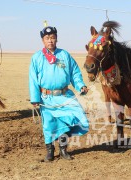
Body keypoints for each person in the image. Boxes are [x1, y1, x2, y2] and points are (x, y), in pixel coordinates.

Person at [29, 25, 89, 162]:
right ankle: (50, 151)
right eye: (47, 38)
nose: (50, 40)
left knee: (69, 120)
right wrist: (34, 98)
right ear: (43, 40)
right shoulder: (37, 57)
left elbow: (75, 73)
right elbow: (33, 79)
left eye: (53, 38)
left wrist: (81, 86)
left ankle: (63, 149)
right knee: (49, 124)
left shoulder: (64, 55)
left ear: (56, 39)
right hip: (46, 98)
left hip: (64, 96)